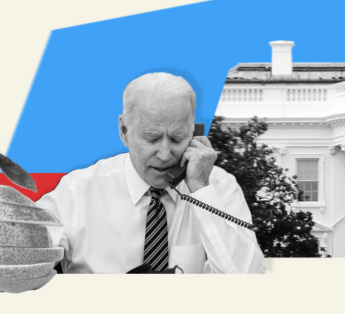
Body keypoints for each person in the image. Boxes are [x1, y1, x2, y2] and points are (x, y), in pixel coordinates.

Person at [37, 72, 266, 274]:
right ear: (124, 131)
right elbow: (20, 255)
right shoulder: (77, 193)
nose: (165, 154)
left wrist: (201, 190)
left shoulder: (219, 187)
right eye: (152, 138)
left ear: (194, 132)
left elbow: (246, 281)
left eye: (177, 138)